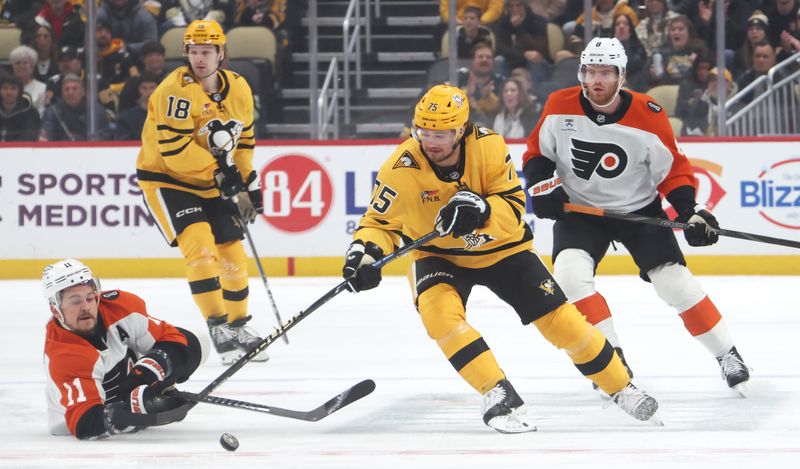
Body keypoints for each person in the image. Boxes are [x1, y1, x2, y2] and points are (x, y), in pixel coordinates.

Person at [341, 83, 660, 433]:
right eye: (424, 132)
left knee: (563, 322)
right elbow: (378, 223)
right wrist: (364, 253)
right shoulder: (400, 166)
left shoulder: (489, 145)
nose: (432, 142)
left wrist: (481, 209)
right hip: (438, 254)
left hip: (503, 249)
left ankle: (620, 387)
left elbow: (513, 207)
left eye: (443, 133)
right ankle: (497, 392)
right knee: (439, 317)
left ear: (461, 129)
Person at [522, 38, 751, 398]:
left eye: (605, 73)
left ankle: (728, 355)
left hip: (638, 211)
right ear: (582, 73)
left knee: (675, 283)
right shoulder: (558, 105)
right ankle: (611, 362)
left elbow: (673, 170)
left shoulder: (649, 113)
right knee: (569, 276)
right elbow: (537, 155)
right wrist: (543, 188)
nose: (596, 80)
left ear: (621, 75)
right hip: (581, 213)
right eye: (591, 72)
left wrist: (690, 212)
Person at [136, 19, 267, 365]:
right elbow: (174, 151)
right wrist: (225, 176)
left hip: (211, 181)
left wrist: (249, 181)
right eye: (194, 52)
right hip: (167, 179)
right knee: (201, 248)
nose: (200, 59)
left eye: (207, 51)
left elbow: (244, 143)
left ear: (221, 53)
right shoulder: (173, 90)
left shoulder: (239, 88)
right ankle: (217, 325)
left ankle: (239, 327)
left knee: (233, 255)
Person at [42, 258, 203, 439]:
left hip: (129, 389)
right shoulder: (65, 354)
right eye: (75, 301)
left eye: (89, 297)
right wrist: (138, 408)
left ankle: (153, 386)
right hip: (87, 416)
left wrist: (148, 371)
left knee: (198, 340)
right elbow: (85, 423)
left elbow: (177, 340)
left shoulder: (120, 308)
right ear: (56, 310)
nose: (86, 307)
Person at [40, 74, 111, 141]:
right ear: (62, 93)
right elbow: (48, 139)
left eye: (75, 89)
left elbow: (103, 138)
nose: (70, 92)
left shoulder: (96, 111)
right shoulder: (52, 112)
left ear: (83, 92)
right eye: (67, 89)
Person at [0, 74, 41, 141]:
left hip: (20, 149)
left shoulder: (30, 112)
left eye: (13, 88)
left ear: (19, 91)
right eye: (5, 88)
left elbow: (30, 136)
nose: (9, 92)